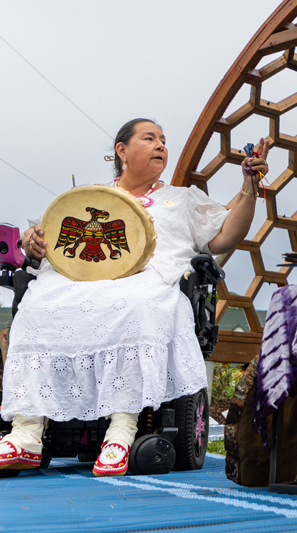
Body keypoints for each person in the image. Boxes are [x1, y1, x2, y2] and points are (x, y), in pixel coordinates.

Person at [1, 118, 268, 475]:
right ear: (121, 150)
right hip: (79, 282)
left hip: (148, 283)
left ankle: (122, 430)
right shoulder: (88, 197)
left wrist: (250, 186)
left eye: (163, 140)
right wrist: (33, 244)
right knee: (35, 306)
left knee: (136, 305)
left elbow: (225, 237)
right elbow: (48, 246)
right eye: (149, 138)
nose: (161, 145)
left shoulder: (181, 199)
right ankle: (26, 435)